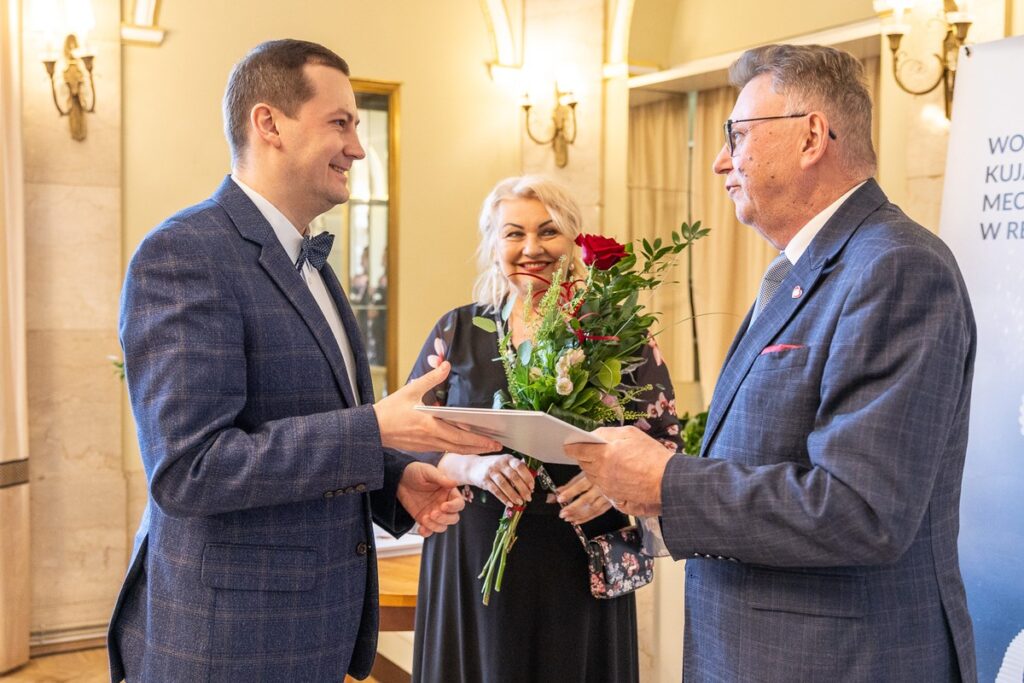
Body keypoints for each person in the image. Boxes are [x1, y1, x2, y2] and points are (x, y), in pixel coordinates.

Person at [566, 44, 978, 682]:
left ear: (811, 136)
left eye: (736, 134)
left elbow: (861, 511)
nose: (719, 160)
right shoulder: (799, 272)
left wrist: (667, 483)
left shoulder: (895, 267)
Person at [106, 39, 499, 682]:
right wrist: (374, 429)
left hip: (305, 634)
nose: (358, 148)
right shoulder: (184, 254)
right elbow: (190, 470)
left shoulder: (310, 263)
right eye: (340, 123)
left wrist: (392, 476)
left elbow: (304, 419)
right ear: (269, 124)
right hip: (228, 644)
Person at [408, 176, 683, 683]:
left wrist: (616, 486)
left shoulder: (618, 334)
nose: (531, 248)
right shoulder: (457, 331)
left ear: (574, 241)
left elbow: (666, 442)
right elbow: (408, 438)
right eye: (514, 233)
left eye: (549, 231)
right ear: (493, 245)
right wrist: (470, 467)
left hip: (578, 564)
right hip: (473, 560)